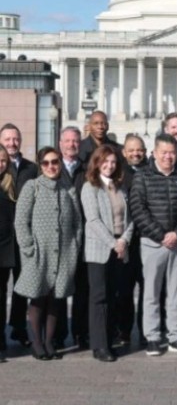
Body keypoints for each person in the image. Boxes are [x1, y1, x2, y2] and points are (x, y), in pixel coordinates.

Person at [130, 133, 177, 356]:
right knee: (151, 292)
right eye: (164, 152)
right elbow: (138, 210)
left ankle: (176, 336)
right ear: (154, 153)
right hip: (152, 243)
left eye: (172, 152)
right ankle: (152, 337)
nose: (169, 156)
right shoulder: (142, 176)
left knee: (176, 293)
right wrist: (161, 235)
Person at [14, 147, 83, 360]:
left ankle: (48, 342)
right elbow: (21, 221)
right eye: (46, 163)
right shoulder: (31, 187)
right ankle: (36, 343)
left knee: (56, 300)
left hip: (64, 254)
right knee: (38, 298)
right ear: (40, 165)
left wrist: (75, 247)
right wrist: (27, 248)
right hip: (38, 255)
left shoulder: (68, 188)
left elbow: (77, 222)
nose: (51, 166)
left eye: (55, 162)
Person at [81, 144, 134, 362]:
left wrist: (124, 240)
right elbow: (92, 220)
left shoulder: (119, 188)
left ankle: (109, 341)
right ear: (97, 162)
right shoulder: (89, 187)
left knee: (113, 296)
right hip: (99, 249)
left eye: (113, 162)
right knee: (99, 298)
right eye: (106, 161)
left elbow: (130, 219)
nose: (110, 166)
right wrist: (113, 243)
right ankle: (99, 345)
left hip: (119, 248)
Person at [0, 123, 37, 348]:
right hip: (3, 240)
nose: (12, 143)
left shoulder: (31, 169)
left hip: (23, 238)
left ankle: (18, 328)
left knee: (23, 285)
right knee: (1, 288)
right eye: (7, 139)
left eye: (15, 139)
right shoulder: (2, 167)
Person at [55, 126, 89, 349]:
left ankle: (80, 332)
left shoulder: (88, 170)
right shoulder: (51, 167)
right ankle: (58, 334)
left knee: (82, 289)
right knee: (59, 289)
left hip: (84, 239)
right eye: (67, 141)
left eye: (75, 141)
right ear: (60, 143)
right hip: (60, 241)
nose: (71, 145)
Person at [117, 133, 149, 345]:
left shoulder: (152, 172)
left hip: (148, 240)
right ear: (124, 152)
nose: (136, 153)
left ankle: (147, 331)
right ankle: (124, 331)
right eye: (132, 150)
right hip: (127, 242)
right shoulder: (118, 175)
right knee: (124, 291)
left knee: (149, 291)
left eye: (139, 150)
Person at [0, 145, 16, 363]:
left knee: (2, 296)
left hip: (5, 248)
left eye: (4, 161)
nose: (1, 164)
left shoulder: (10, 185)